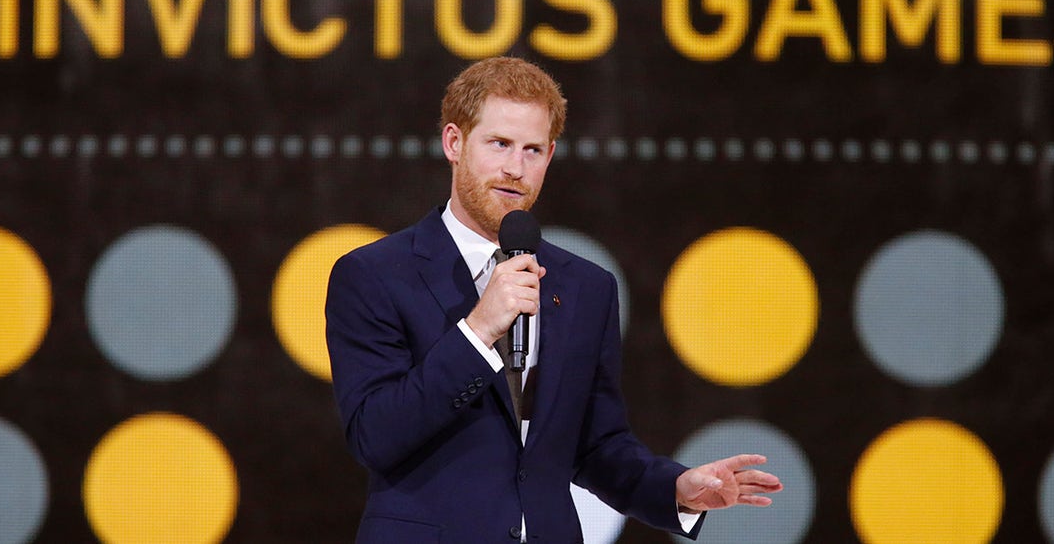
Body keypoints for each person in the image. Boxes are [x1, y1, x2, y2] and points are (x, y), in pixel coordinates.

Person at [325, 56, 782, 543]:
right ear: (454, 143)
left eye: (533, 150)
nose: (515, 169)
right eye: (499, 144)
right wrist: (479, 331)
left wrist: (675, 490)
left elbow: (596, 445)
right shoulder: (374, 274)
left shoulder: (586, 286)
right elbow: (375, 435)